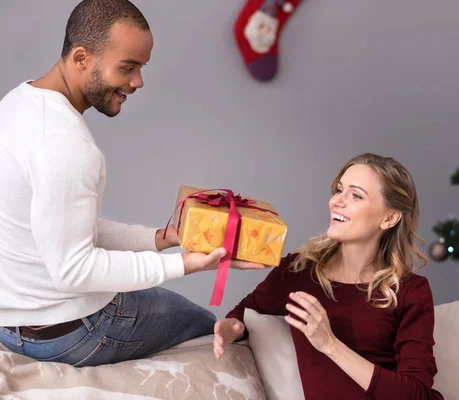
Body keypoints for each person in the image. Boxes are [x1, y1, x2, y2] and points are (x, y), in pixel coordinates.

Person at [0, 0, 264, 367]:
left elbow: (68, 229)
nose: (138, 81)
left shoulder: (17, 103)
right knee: (204, 324)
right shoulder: (65, 144)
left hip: (11, 325)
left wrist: (162, 240)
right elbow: (74, 270)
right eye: (128, 67)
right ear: (81, 58)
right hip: (69, 331)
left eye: (141, 67)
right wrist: (185, 264)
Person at [213, 153, 445, 400]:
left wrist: (330, 345)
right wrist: (234, 327)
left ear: (389, 218)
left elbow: (416, 394)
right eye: (339, 190)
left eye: (355, 195)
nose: (336, 202)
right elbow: (245, 311)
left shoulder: (411, 291)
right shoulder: (298, 272)